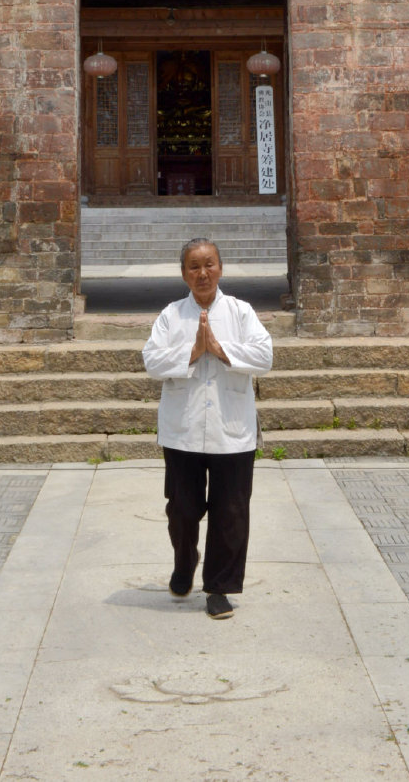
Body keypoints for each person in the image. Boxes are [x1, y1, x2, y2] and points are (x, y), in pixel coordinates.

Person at [141, 237, 274, 620]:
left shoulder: (240, 311)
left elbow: (265, 355)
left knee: (231, 513)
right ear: (183, 274)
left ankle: (219, 588)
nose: (203, 273)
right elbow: (151, 361)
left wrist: (219, 349)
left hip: (231, 430)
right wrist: (192, 352)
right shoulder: (171, 316)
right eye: (194, 267)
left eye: (209, 264)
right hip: (183, 429)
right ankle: (185, 562)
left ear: (221, 267)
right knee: (181, 509)